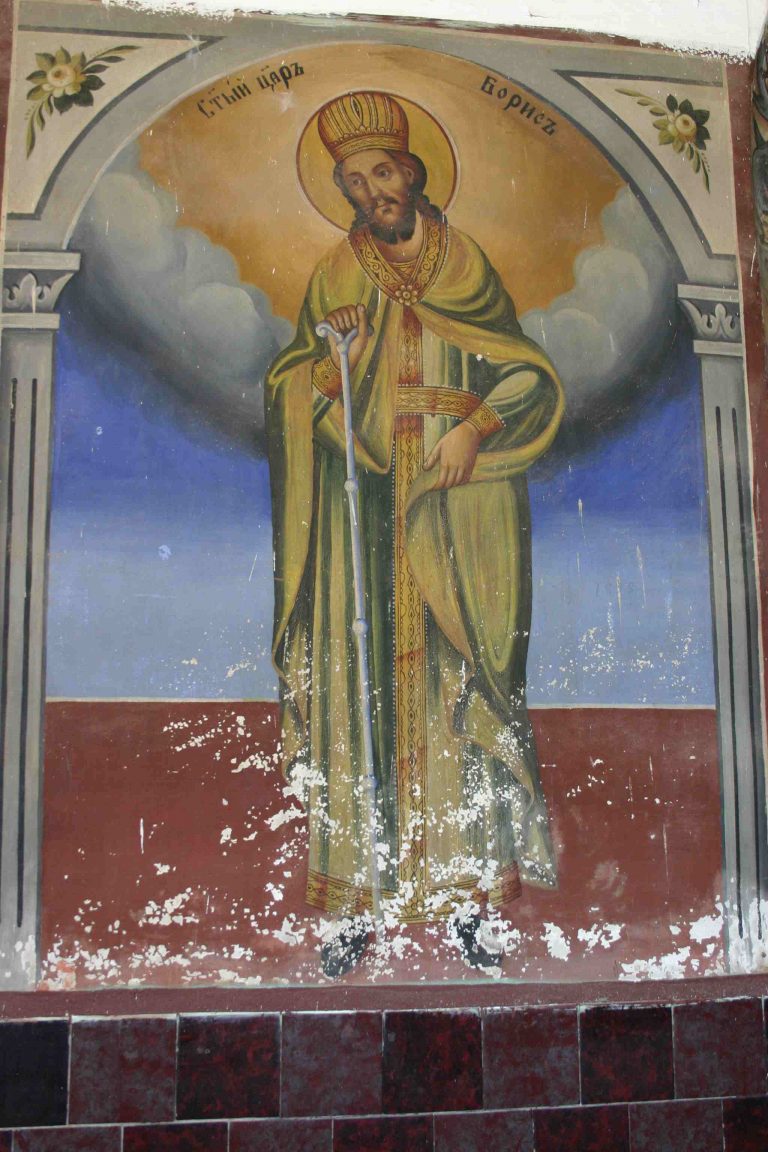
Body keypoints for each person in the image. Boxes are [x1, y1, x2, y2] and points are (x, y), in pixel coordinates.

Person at [265, 91, 564, 976]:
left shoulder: (463, 262)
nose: (372, 193)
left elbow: (528, 374)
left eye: (382, 173)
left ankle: (466, 897)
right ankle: (355, 903)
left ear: (413, 171)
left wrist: (474, 428)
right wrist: (334, 367)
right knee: (355, 693)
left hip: (454, 503)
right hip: (360, 508)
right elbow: (290, 390)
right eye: (354, 182)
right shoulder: (335, 272)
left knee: (456, 690)